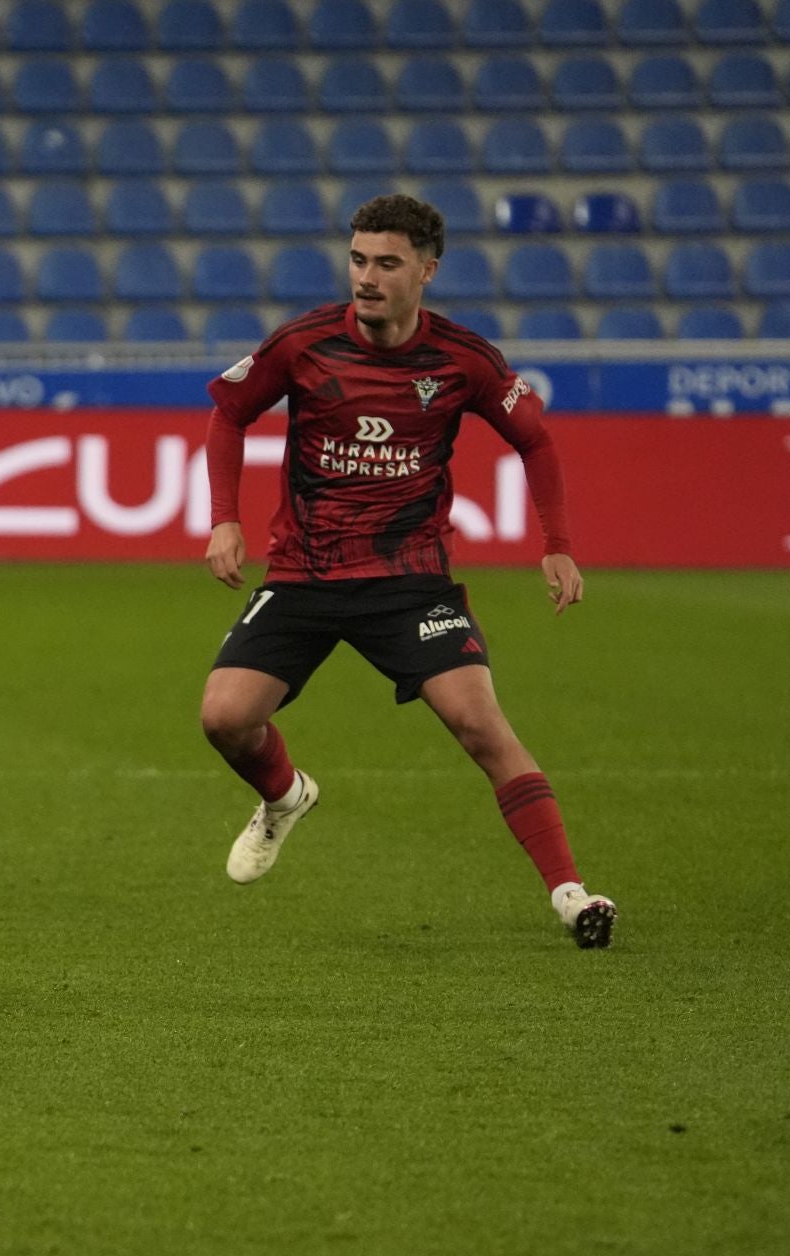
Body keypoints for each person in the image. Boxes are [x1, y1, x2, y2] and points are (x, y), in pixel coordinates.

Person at [197, 194, 616, 949]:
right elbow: (229, 411)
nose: (366, 277)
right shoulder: (304, 344)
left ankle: (571, 893)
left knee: (481, 725)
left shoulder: (463, 359)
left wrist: (557, 541)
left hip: (409, 582)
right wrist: (224, 516)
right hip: (304, 574)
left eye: (386, 263)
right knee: (224, 719)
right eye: (358, 259)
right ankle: (285, 796)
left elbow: (536, 440)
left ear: (427, 270)